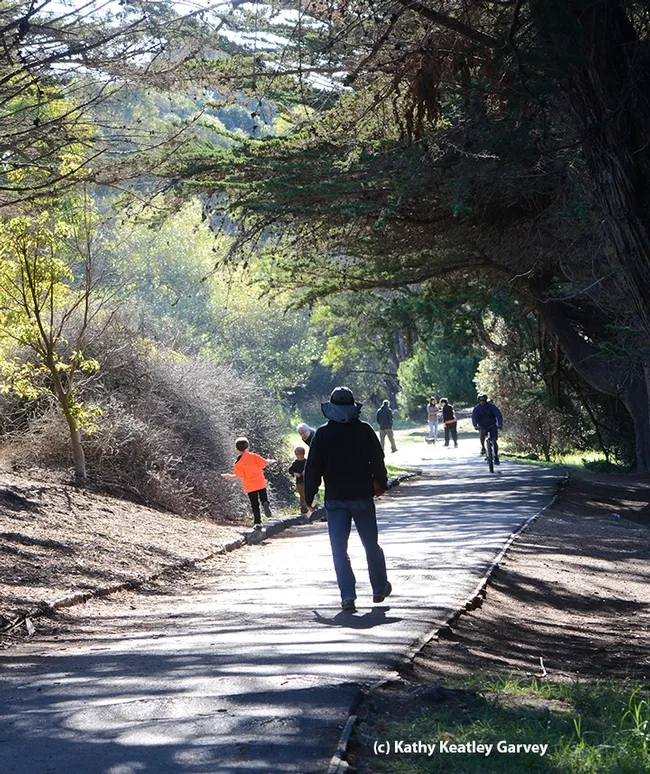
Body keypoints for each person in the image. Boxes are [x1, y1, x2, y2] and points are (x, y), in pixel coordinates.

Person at [304, 386, 392, 612]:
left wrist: (310, 495)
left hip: (335, 500)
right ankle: (379, 587)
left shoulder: (322, 434)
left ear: (330, 407)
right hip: (362, 496)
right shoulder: (365, 430)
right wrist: (381, 483)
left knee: (339, 548)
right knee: (370, 544)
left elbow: (313, 467)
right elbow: (378, 460)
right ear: (354, 406)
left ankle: (347, 595)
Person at [221, 437, 276, 529]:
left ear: (236, 450)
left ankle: (257, 522)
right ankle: (265, 503)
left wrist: (230, 476)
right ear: (248, 448)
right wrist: (269, 461)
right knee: (263, 498)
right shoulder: (254, 456)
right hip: (260, 482)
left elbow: (239, 475)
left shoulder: (237, 464)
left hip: (250, 486)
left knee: (254, 504)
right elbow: (263, 463)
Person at [472, 393, 504, 464]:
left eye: (484, 400)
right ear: (479, 401)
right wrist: (475, 425)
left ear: (486, 400)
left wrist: (500, 424)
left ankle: (496, 456)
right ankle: (483, 447)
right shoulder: (477, 408)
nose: (482, 401)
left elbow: (498, 415)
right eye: (481, 400)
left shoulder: (491, 407)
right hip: (482, 426)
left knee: (494, 440)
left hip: (492, 425)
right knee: (482, 432)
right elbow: (474, 417)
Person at [288, 446, 308, 513]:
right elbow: (290, 470)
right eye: (298, 456)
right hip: (299, 481)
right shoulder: (295, 463)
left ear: (303, 454)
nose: (299, 457)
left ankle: (307, 506)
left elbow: (312, 468)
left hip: (306, 480)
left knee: (306, 493)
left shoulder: (306, 461)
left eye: (301, 455)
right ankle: (303, 507)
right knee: (301, 494)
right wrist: (295, 473)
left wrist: (305, 471)